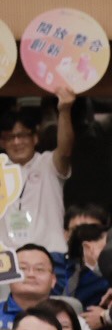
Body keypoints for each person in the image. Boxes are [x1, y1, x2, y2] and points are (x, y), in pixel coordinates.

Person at [0, 92, 74, 264]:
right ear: (2, 142)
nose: (17, 142)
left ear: (35, 137)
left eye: (23, 135)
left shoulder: (47, 163)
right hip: (8, 260)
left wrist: (64, 110)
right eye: (10, 137)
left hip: (50, 255)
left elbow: (66, 149)